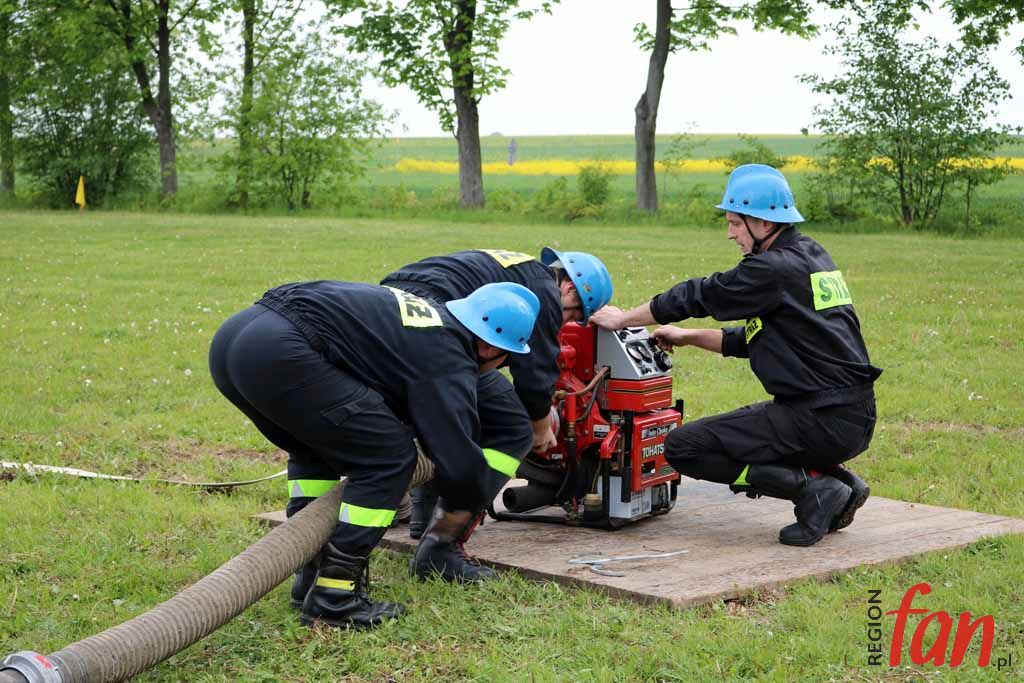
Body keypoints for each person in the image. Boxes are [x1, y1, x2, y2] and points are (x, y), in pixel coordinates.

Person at [208, 280, 540, 629]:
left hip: (238, 339)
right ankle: (334, 597)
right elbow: (455, 455)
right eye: (506, 360)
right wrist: (472, 495)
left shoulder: (429, 321)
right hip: (284, 350)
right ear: (490, 348)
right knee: (388, 459)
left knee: (314, 450)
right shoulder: (449, 354)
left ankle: (311, 576)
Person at [590, 164, 880, 547]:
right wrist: (689, 336)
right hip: (852, 416)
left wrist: (624, 318)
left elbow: (699, 294)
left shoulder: (771, 269)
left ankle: (813, 488)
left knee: (683, 447)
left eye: (734, 223)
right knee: (741, 432)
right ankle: (838, 480)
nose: (730, 233)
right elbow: (760, 339)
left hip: (818, 418)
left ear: (762, 223)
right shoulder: (809, 255)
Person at [380, 247, 613, 580]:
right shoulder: (545, 294)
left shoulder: (522, 270)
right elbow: (535, 375)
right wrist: (540, 426)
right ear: (570, 289)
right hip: (432, 329)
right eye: (574, 316)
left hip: (392, 308)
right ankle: (442, 545)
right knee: (511, 425)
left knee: (444, 417)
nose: (568, 324)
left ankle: (423, 512)